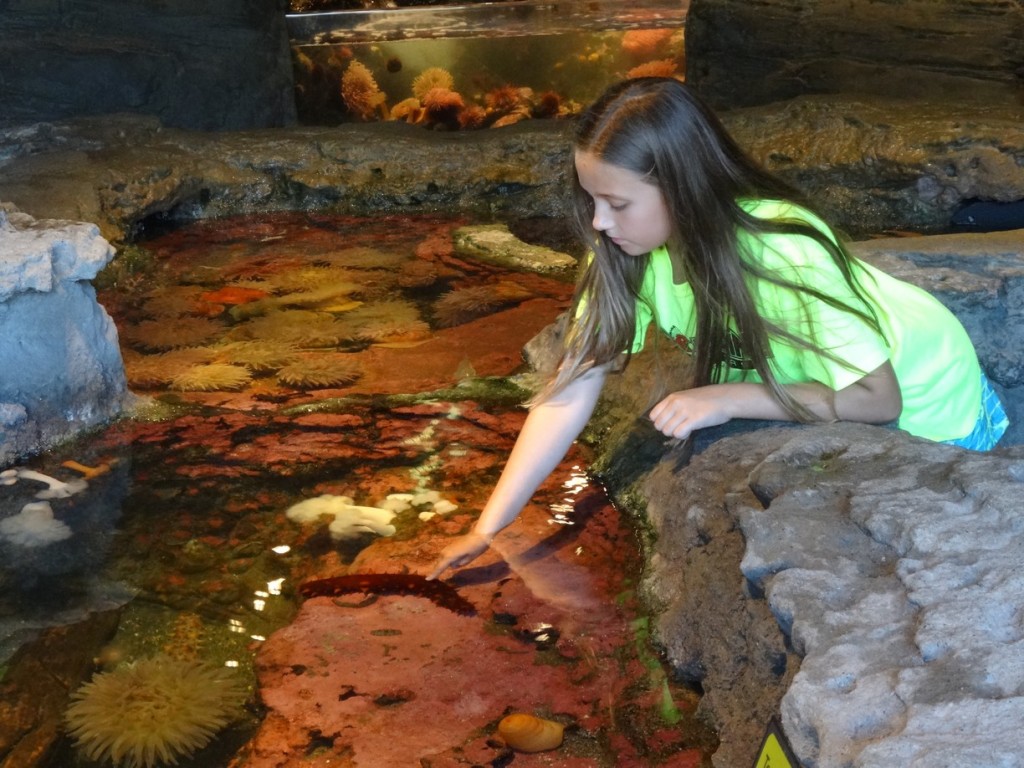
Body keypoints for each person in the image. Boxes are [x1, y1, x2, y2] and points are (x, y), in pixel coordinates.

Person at [427, 77, 1008, 579]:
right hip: (827, 377)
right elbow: (571, 389)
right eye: (592, 200)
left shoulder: (780, 252)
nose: (600, 223)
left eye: (617, 203)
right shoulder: (627, 252)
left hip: (926, 391)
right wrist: (490, 527)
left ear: (682, 188)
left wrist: (733, 396)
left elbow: (880, 402)